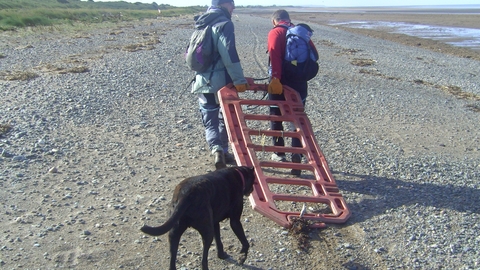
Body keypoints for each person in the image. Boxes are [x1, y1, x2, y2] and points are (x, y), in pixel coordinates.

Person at [191, 0, 249, 170]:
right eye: (232, 4)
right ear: (224, 5)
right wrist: (239, 80)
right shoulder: (225, 24)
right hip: (223, 83)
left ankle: (216, 149)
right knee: (225, 118)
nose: (234, 7)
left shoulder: (201, 23)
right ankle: (223, 150)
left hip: (202, 81)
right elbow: (229, 54)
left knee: (210, 119)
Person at [267, 9, 319, 176]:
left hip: (280, 82)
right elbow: (315, 56)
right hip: (299, 83)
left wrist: (275, 78)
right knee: (296, 118)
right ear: (288, 19)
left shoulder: (276, 32)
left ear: (275, 21)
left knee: (276, 115)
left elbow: (274, 54)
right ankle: (296, 152)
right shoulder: (300, 33)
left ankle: (279, 152)